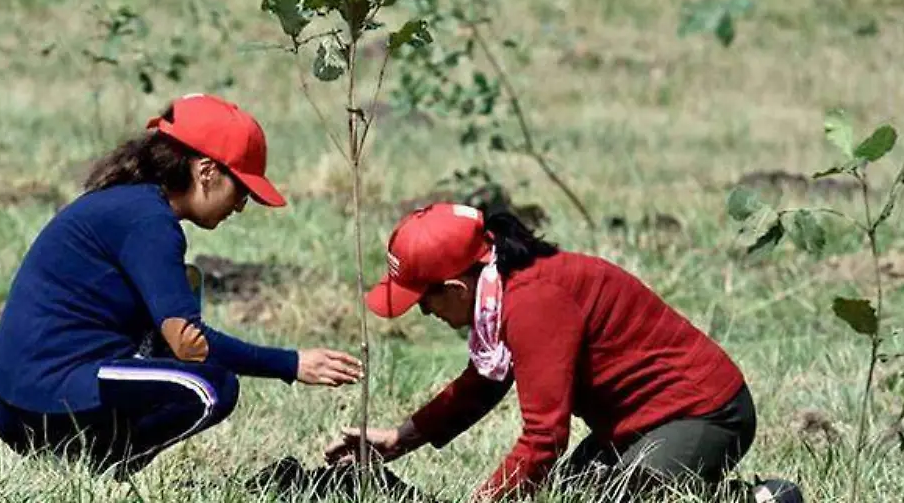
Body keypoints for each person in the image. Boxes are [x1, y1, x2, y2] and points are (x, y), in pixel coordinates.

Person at [0, 93, 363, 478]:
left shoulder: (130, 204)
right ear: (207, 171)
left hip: (17, 400)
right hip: (45, 398)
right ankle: (107, 472)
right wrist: (291, 363)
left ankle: (95, 464)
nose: (242, 205)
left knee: (187, 284)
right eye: (242, 190)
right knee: (211, 388)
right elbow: (189, 343)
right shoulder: (148, 221)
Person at [325, 203, 802, 502]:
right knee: (572, 493)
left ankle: (764, 500)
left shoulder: (533, 302)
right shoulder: (501, 286)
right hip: (637, 425)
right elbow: (486, 382)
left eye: (423, 299)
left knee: (618, 498)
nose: (423, 314)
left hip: (705, 413)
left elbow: (543, 440)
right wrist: (399, 438)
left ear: (454, 286)